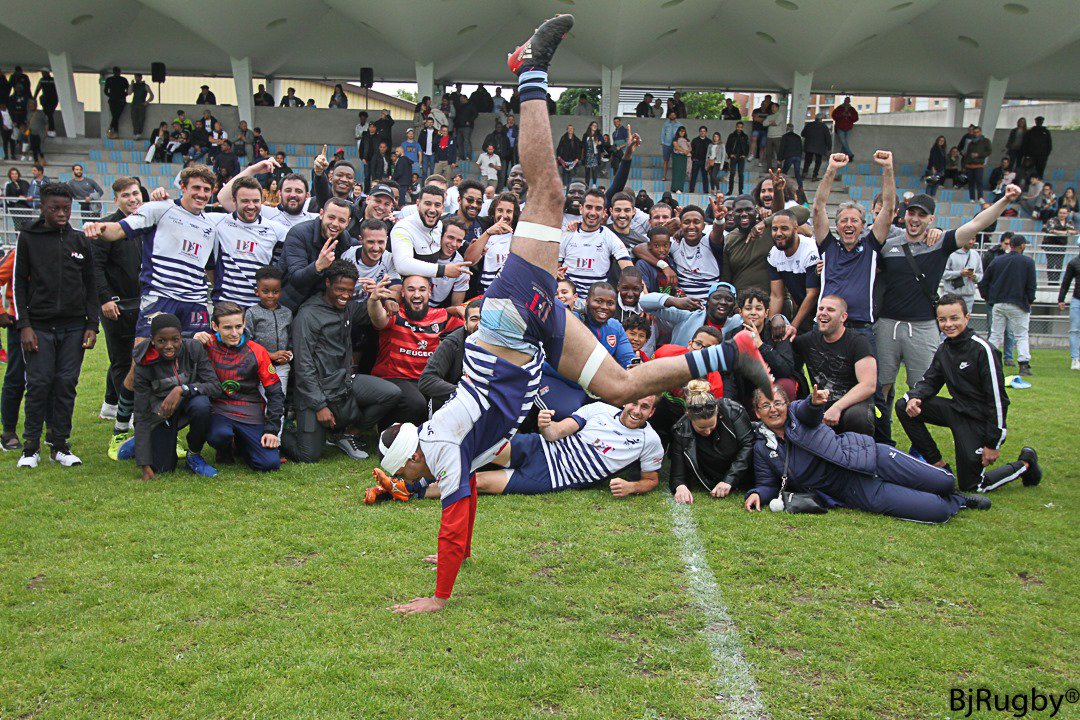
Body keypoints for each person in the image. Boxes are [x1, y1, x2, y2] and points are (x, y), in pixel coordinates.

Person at [380, 15, 773, 615]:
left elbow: (455, 507)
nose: (410, 480)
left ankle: (528, 68)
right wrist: (454, 557)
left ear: (411, 456)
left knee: (552, 196)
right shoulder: (443, 447)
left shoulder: (436, 446)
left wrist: (439, 595)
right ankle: (731, 351)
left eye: (406, 473)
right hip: (531, 341)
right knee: (620, 385)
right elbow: (461, 507)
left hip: (511, 320)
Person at [874, 183, 1021, 443]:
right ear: (903, 214)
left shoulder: (940, 242)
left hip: (923, 327)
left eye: (922, 215)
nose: (915, 219)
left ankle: (919, 446)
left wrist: (1005, 201)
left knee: (920, 391)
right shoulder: (887, 241)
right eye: (911, 213)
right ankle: (882, 440)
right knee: (882, 387)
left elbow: (976, 224)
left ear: (931, 219)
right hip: (887, 324)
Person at [745, 383, 990, 521]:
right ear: (757, 412)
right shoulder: (762, 447)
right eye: (765, 405)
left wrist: (814, 402)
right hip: (851, 489)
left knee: (943, 481)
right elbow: (768, 482)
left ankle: (955, 493)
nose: (773, 410)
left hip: (870, 457)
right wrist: (757, 494)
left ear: (787, 405)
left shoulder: (798, 414)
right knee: (937, 511)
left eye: (778, 403)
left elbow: (810, 411)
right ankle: (957, 503)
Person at [898, 293, 1040, 494]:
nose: (948, 324)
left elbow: (998, 401)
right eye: (942, 320)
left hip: (978, 421)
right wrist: (915, 396)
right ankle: (938, 465)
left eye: (954, 318)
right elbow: (930, 380)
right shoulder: (944, 349)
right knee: (904, 406)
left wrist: (993, 443)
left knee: (972, 487)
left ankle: (1025, 464)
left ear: (967, 317)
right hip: (957, 411)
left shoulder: (983, 350)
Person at [12, 184, 98, 468]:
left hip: (74, 327)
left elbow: (91, 285)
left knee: (66, 384)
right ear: (42, 208)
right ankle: (30, 448)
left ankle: (60, 445)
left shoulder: (80, 240)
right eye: (55, 209)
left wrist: (92, 325)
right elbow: (18, 285)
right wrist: (24, 325)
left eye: (66, 209)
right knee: (38, 384)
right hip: (39, 326)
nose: (61, 214)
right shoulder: (28, 238)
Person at [286, 261, 400, 462]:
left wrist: (382, 301)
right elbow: (303, 366)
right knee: (308, 456)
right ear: (327, 283)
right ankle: (278, 429)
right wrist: (319, 405)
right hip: (316, 389)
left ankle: (347, 434)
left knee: (391, 393)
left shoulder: (348, 307)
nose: (345, 295)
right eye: (340, 289)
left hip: (344, 382)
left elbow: (373, 315)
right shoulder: (308, 314)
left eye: (349, 290)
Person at [192, 302, 283, 471]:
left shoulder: (257, 351)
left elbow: (275, 392)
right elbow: (176, 355)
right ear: (215, 326)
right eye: (227, 328)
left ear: (244, 324)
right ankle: (224, 448)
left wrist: (272, 429)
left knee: (268, 464)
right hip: (219, 409)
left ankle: (242, 445)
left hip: (250, 410)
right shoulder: (205, 345)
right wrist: (192, 343)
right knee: (219, 435)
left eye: (238, 326)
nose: (234, 333)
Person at [127, 314, 220, 479]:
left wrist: (182, 389)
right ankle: (139, 443)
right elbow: (141, 413)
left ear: (181, 337)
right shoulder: (143, 363)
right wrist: (144, 462)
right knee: (163, 467)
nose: (169, 346)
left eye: (175, 340)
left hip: (189, 403)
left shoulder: (194, 349)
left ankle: (194, 454)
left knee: (202, 405)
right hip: (163, 413)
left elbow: (214, 386)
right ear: (152, 340)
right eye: (162, 341)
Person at [368, 275, 464, 426]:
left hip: (426, 380)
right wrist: (374, 300)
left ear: (429, 292)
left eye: (422, 289)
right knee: (416, 403)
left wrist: (464, 310)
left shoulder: (442, 316)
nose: (417, 294)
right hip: (394, 378)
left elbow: (472, 324)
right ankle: (387, 432)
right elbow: (378, 319)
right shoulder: (394, 313)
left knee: (448, 399)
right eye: (411, 289)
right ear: (403, 293)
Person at [92, 178, 143, 433]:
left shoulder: (145, 223)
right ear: (116, 199)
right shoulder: (108, 228)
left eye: (135, 193)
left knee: (135, 355)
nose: (132, 199)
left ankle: (110, 402)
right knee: (123, 358)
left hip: (143, 302)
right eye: (126, 195)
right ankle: (128, 411)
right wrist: (105, 299)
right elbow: (95, 268)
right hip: (117, 304)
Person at [793, 295, 876, 436]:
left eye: (830, 310)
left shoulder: (858, 342)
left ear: (843, 317)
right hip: (820, 402)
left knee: (858, 418)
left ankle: (859, 453)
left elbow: (868, 385)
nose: (823, 313)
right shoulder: (808, 340)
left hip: (851, 404)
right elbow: (782, 352)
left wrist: (837, 407)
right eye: (820, 309)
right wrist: (782, 323)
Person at [669, 380, 754, 503]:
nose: (708, 431)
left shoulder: (733, 411)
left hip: (746, 473)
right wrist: (680, 487)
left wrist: (729, 480)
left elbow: (748, 445)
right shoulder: (681, 430)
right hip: (711, 475)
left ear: (718, 413)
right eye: (701, 428)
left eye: (711, 426)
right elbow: (677, 472)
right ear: (689, 416)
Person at [276, 198, 358, 313]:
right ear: (321, 214)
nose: (335, 224)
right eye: (331, 217)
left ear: (348, 222)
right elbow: (295, 278)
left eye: (341, 220)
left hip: (320, 307)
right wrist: (318, 266)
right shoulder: (298, 234)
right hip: (289, 305)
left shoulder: (345, 239)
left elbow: (361, 247)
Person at [559, 188, 633, 299]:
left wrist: (643, 298)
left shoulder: (609, 237)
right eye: (589, 207)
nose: (593, 213)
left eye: (598, 208)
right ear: (581, 209)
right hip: (568, 300)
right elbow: (554, 268)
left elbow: (629, 269)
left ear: (604, 213)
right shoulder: (567, 235)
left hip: (597, 301)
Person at [979, 234, 1037, 376]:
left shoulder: (998, 261)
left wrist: (988, 298)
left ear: (1010, 245)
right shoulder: (1028, 262)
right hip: (1018, 303)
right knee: (1021, 335)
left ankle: (988, 360)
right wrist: (1030, 300)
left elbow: (984, 281)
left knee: (996, 334)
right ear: (1022, 246)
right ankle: (1023, 365)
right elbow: (1031, 285)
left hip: (998, 303)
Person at [419, 299, 483, 413]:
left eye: (484, 320)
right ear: (465, 324)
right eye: (474, 319)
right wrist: (466, 393)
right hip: (455, 402)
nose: (479, 325)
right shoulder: (453, 343)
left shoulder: (500, 345)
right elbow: (426, 380)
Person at [244, 266, 294, 399]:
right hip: (259, 367)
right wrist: (269, 355)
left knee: (278, 399)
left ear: (281, 291)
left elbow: (291, 339)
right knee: (262, 400)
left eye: (275, 291)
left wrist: (289, 355)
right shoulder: (251, 313)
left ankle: (279, 420)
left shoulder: (287, 313)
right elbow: (247, 343)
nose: (270, 296)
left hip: (281, 366)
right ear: (257, 291)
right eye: (265, 291)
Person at [766, 208, 819, 332]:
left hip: (821, 309)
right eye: (774, 229)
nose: (778, 233)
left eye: (784, 228)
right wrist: (769, 325)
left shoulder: (811, 250)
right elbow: (776, 295)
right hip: (802, 306)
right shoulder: (773, 254)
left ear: (795, 229)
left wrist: (793, 326)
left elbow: (812, 294)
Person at [941, 232, 983, 320]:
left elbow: (980, 275)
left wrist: (974, 277)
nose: (971, 242)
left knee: (964, 323)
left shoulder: (975, 255)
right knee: (950, 321)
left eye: (973, 239)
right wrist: (959, 273)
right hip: (952, 296)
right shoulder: (951, 254)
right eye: (969, 238)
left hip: (968, 296)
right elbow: (943, 274)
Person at [1042, 206, 1076, 286]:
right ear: (1058, 213)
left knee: (1059, 264)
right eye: (1060, 213)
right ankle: (1050, 281)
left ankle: (1056, 281)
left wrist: (1059, 231)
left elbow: (1074, 231)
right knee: (1051, 263)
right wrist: (1066, 231)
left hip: (1062, 246)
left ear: (1067, 214)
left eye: (1064, 213)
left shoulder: (1069, 221)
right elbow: (1050, 230)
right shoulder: (1052, 220)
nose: (1062, 215)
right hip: (1050, 245)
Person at [1060, 253, 1080, 371]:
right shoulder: (1074, 262)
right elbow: (1066, 282)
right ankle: (1075, 358)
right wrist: (1061, 299)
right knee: (1074, 330)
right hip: (1077, 300)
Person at [962, 126, 992, 203]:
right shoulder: (971, 143)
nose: (976, 134)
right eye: (975, 132)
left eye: (977, 132)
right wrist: (965, 164)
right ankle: (972, 198)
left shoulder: (986, 141)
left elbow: (988, 152)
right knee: (971, 182)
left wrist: (978, 155)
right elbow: (967, 154)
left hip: (979, 164)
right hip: (969, 165)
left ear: (980, 132)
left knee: (979, 181)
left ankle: (980, 197)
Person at [800, 113, 831, 181]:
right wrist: (829, 148)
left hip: (809, 146)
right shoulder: (824, 127)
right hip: (820, 147)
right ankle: (814, 176)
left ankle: (804, 174)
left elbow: (802, 134)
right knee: (818, 162)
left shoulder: (809, 125)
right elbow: (828, 138)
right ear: (821, 119)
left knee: (807, 160)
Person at [103, 67, 129, 139]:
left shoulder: (110, 79)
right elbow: (128, 90)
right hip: (119, 100)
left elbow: (105, 91)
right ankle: (115, 132)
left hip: (115, 100)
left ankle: (112, 130)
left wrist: (111, 96)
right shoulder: (123, 80)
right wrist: (123, 95)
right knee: (116, 116)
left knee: (115, 116)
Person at [725, 121, 749, 195]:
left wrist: (745, 155)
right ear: (736, 127)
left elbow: (747, 147)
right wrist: (730, 154)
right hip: (733, 156)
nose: (739, 128)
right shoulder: (731, 136)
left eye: (741, 127)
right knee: (732, 173)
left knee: (741, 174)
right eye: (738, 127)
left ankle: (740, 191)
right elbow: (727, 146)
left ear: (742, 128)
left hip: (741, 157)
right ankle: (730, 190)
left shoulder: (745, 136)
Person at [32, 70, 58, 137]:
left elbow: (58, 90)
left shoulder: (53, 80)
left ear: (47, 73)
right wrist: (34, 98)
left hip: (53, 100)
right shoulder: (42, 80)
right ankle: (47, 130)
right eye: (42, 73)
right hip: (45, 101)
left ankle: (51, 130)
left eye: (44, 73)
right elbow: (37, 89)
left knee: (49, 114)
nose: (42, 74)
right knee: (47, 115)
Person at [659, 112, 683, 182]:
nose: (672, 116)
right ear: (669, 116)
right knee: (665, 160)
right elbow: (663, 133)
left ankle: (675, 177)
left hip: (676, 144)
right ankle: (664, 176)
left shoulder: (680, 125)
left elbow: (681, 134)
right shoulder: (666, 124)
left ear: (676, 115)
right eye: (671, 115)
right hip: (667, 144)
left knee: (676, 161)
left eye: (674, 114)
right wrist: (662, 143)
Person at [779, 124, 804, 189]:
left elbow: (782, 148)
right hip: (797, 156)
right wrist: (800, 156)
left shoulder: (785, 137)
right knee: (797, 173)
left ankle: (783, 185)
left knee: (784, 172)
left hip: (789, 156)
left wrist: (779, 159)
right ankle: (800, 187)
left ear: (787, 129)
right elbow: (801, 147)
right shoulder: (798, 137)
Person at [688, 126, 711, 194]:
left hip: (705, 161)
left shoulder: (709, 141)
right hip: (696, 160)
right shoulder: (695, 140)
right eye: (701, 131)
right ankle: (691, 189)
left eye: (704, 131)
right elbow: (691, 150)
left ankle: (706, 190)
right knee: (694, 176)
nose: (702, 132)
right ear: (699, 132)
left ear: (706, 132)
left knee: (705, 176)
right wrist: (693, 158)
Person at [669, 126, 690, 192]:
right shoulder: (675, 139)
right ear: (678, 131)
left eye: (683, 131)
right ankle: (675, 188)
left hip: (684, 157)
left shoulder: (687, 140)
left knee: (682, 173)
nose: (682, 132)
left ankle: (680, 188)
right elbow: (676, 146)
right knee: (676, 172)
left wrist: (687, 151)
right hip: (677, 156)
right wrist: (684, 150)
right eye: (681, 131)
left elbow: (690, 147)